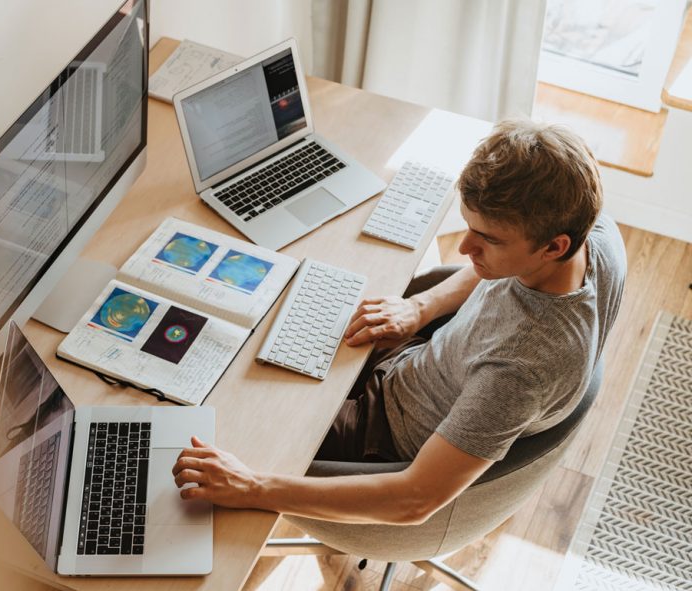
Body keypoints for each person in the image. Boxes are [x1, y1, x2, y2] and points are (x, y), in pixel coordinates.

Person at [171, 119, 626, 525]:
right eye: (468, 226)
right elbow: (490, 269)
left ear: (554, 246)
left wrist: (253, 488)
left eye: (487, 239)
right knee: (264, 322)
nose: (465, 249)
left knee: (212, 418)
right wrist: (421, 309)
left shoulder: (522, 369)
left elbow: (414, 500)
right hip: (418, 364)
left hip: (383, 440)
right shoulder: (592, 231)